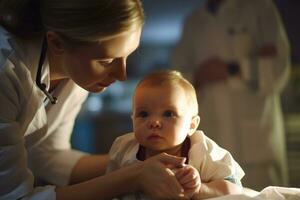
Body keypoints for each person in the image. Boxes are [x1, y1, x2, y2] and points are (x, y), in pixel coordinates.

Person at [0, 1, 191, 199]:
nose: (121, 75)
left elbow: (48, 156)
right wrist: (135, 176)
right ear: (57, 43)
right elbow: (15, 197)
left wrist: (148, 159)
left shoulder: (76, 72)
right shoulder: (5, 72)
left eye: (127, 56)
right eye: (106, 61)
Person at [171, 0, 290, 190]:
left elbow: (278, 69)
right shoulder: (193, 23)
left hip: (256, 144)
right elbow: (176, 83)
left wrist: (231, 68)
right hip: (213, 138)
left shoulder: (261, 8)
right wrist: (202, 76)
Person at [106, 70, 245, 199]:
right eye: (143, 114)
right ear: (132, 119)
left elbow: (235, 189)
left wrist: (200, 189)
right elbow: (109, 188)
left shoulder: (202, 151)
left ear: (192, 125)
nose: (154, 122)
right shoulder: (124, 149)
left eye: (168, 114)